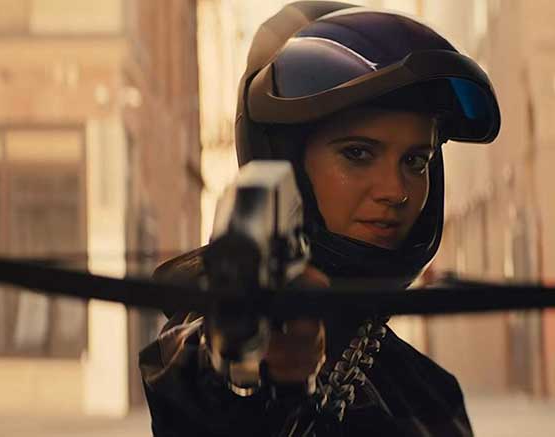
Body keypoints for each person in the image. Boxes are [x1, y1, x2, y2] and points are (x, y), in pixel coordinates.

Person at [139, 2, 501, 436]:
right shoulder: (200, 347)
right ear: (287, 167)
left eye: (415, 161)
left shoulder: (433, 395)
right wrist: (245, 361)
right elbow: (200, 380)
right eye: (358, 153)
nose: (396, 190)